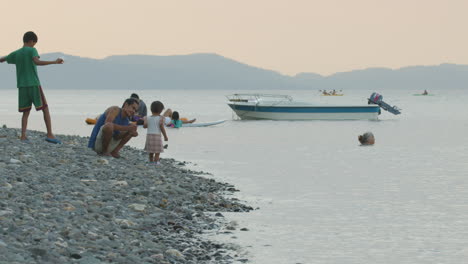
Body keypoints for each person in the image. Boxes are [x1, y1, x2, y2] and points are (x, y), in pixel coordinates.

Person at [0, 31, 63, 143]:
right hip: (33, 84)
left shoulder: (17, 53)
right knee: (45, 108)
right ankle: (49, 134)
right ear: (31, 41)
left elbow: (3, 59)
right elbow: (36, 61)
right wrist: (54, 62)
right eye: (34, 43)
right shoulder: (32, 50)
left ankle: (23, 136)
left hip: (22, 86)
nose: (34, 46)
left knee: (26, 111)